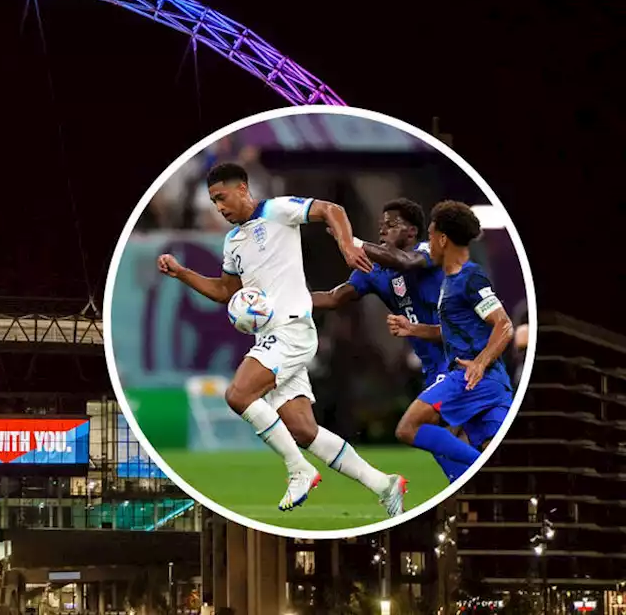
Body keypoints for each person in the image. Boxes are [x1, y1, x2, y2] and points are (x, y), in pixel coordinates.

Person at [157, 162, 407, 516]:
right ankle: (384, 484)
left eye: (222, 198)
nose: (219, 208)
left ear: (243, 189)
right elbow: (224, 290)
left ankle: (298, 469)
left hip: (290, 329)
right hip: (269, 338)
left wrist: (347, 245)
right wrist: (182, 273)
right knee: (303, 429)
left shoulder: (277, 210)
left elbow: (330, 209)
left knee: (239, 394)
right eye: (214, 203)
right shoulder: (233, 242)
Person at [309, 199, 469, 482]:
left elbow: (404, 262)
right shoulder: (373, 268)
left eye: (391, 225)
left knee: (413, 428)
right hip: (433, 367)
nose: (383, 230)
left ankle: (478, 471)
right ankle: (467, 487)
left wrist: (352, 240)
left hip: (461, 358)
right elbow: (334, 298)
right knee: (447, 437)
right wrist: (282, 301)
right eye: (381, 225)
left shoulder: (426, 252)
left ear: (411, 232)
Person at [386, 201, 515, 477]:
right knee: (497, 453)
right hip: (491, 383)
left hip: (471, 377)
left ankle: (475, 474)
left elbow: (504, 325)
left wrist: (479, 364)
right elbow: (456, 330)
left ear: (442, 239)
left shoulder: (470, 278)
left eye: (430, 235)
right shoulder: (450, 281)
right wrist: (413, 329)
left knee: (409, 428)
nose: (427, 242)